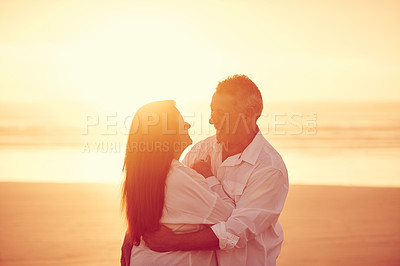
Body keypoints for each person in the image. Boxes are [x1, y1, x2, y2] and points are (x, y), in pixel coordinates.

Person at [141, 75, 289, 266]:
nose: (211, 120)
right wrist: (133, 235)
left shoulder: (269, 169)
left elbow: (235, 231)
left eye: (220, 112)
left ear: (249, 113)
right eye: (212, 111)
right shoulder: (200, 151)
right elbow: (168, 198)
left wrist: (170, 241)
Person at [121, 100, 234, 266]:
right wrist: (209, 176)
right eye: (182, 124)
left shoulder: (143, 178)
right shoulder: (178, 178)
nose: (188, 126)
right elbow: (230, 216)